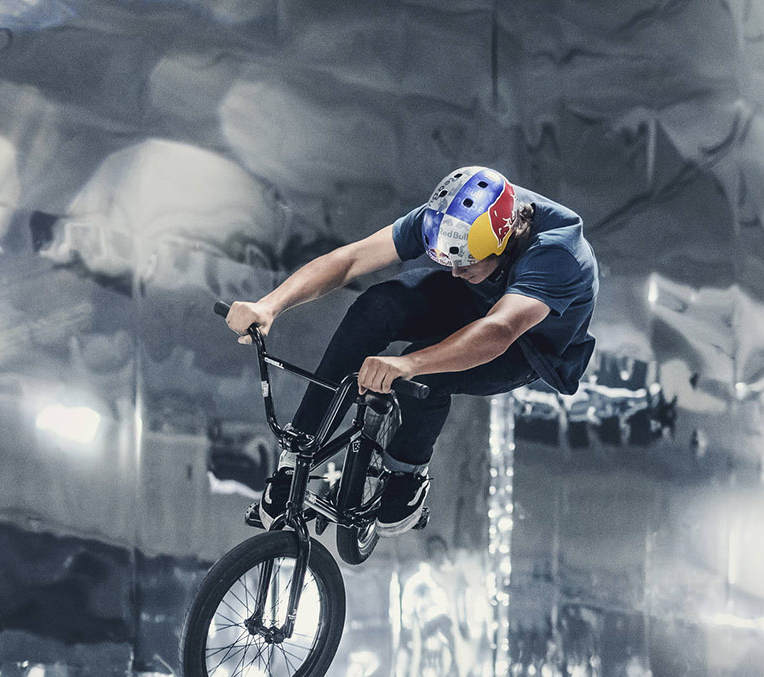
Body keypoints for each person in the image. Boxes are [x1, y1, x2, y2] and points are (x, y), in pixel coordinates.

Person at [225, 166, 598, 533]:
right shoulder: (458, 215)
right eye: (449, 259)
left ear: (504, 242)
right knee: (376, 307)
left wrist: (409, 364)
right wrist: (270, 305)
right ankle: (297, 457)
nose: (454, 270)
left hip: (528, 343)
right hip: (478, 297)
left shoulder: (559, 253)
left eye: (465, 261)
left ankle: (407, 476)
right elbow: (352, 259)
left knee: (427, 373)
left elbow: (500, 330)